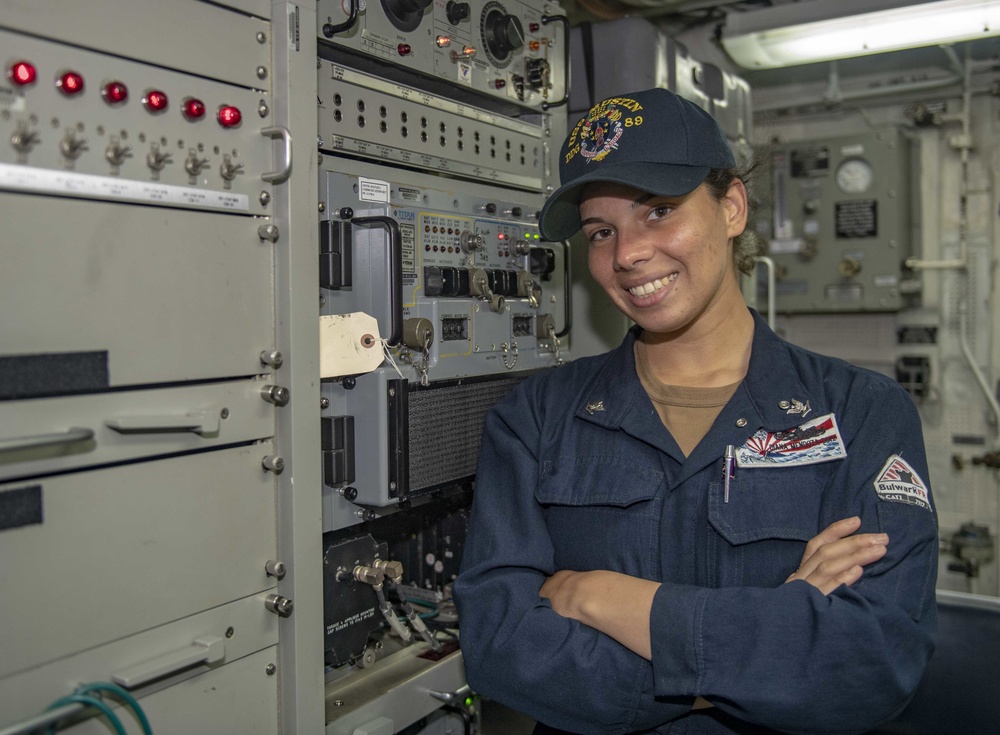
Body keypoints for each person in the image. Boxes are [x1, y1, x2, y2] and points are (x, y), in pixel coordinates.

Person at [452, 88, 938, 735]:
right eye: (601, 231)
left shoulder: (860, 413)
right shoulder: (535, 418)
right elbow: (500, 645)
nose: (625, 254)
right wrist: (763, 642)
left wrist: (614, 600)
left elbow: (873, 657)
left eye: (657, 210)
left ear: (731, 205)